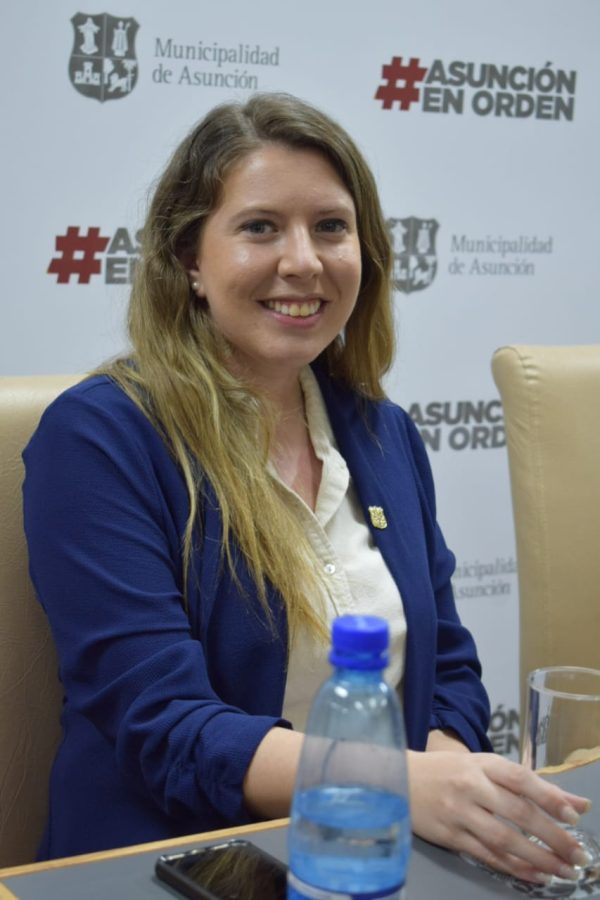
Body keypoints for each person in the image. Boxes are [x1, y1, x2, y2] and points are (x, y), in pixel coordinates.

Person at [23, 93, 590, 882]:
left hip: (378, 857)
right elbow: (163, 724)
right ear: (189, 260)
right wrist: (397, 784)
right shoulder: (101, 436)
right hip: (174, 865)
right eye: (260, 227)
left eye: (330, 227)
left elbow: (450, 667)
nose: (304, 261)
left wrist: (452, 780)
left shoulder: (383, 432)